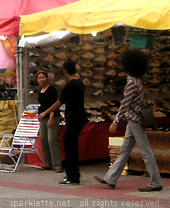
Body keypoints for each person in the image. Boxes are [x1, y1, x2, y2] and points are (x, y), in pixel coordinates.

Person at [94, 48, 163, 192]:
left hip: (135, 121)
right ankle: (111, 178)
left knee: (145, 151)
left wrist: (115, 122)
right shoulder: (138, 81)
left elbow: (125, 104)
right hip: (134, 121)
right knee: (125, 150)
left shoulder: (132, 83)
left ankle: (156, 181)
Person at [39, 60, 85, 185]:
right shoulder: (80, 83)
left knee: (69, 147)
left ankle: (72, 176)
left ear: (64, 71)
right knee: (73, 146)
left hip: (72, 118)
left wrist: (45, 113)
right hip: (80, 117)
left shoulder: (70, 85)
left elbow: (59, 103)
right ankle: (75, 173)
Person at [35, 71, 63, 173]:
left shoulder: (51, 89)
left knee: (52, 140)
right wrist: (37, 111)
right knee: (43, 140)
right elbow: (43, 104)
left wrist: (51, 118)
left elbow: (53, 105)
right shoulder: (40, 90)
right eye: (39, 78)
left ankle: (57, 165)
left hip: (52, 117)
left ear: (47, 78)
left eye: (43, 77)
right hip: (42, 117)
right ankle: (48, 163)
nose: (41, 79)